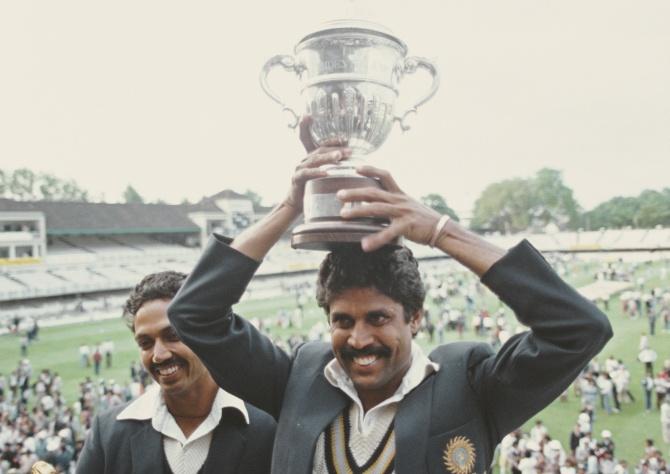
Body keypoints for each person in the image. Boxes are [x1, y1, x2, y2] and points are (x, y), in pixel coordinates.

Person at [167, 121, 613, 473]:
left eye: (378, 318)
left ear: (415, 317)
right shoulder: (299, 377)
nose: (359, 339)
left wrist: (443, 231)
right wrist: (289, 208)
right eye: (342, 320)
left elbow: (579, 330)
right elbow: (194, 313)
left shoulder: (470, 384)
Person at [77, 271, 276, 474]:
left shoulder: (267, 427)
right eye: (146, 343)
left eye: (172, 335)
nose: (159, 355)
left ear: (207, 333)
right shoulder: (109, 431)